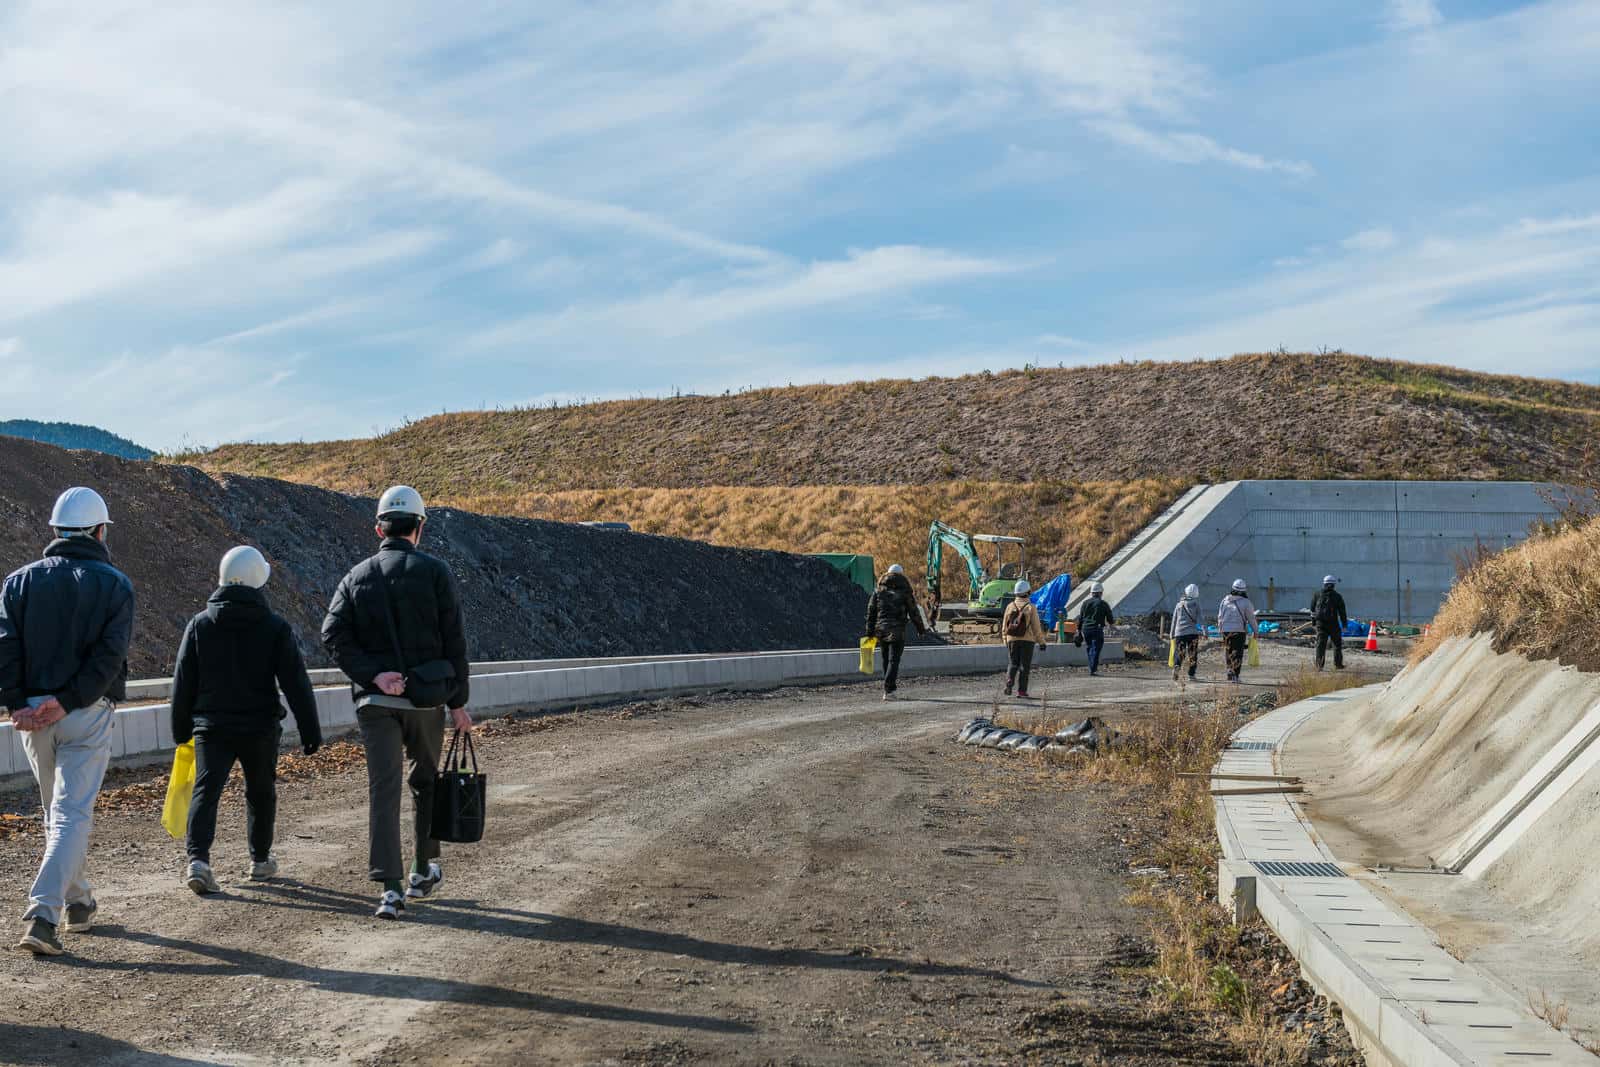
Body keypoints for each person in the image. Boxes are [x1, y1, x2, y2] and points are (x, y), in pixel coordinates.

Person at [322, 486, 472, 920]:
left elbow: (332, 634)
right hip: (425, 701)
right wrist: (458, 702)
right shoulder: (437, 574)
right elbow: (454, 641)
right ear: (419, 527)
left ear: (378, 528)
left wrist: (373, 675)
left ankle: (389, 890)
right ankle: (422, 869)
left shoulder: (355, 577)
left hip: (375, 703)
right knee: (425, 783)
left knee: (383, 791)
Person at [0, 487, 134, 956]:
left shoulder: (18, 582)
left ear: (55, 530)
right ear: (100, 531)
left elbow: (6, 646)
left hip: (32, 717)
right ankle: (44, 914)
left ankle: (79, 902)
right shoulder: (115, 585)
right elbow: (109, 656)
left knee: (58, 814)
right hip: (85, 711)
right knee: (71, 813)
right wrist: (70, 699)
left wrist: (16, 702)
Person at [171, 546, 323, 895]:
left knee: (206, 790)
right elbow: (295, 683)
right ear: (257, 580)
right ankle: (260, 859)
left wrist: (180, 730)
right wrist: (310, 730)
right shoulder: (274, 627)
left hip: (212, 727)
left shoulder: (200, 625)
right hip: (259, 727)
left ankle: (198, 861)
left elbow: (183, 682)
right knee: (260, 792)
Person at [864, 563, 927, 702]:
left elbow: (871, 612)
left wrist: (869, 632)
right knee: (894, 660)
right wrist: (921, 629)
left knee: (886, 659)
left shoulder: (878, 592)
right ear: (901, 575)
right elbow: (914, 612)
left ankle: (889, 689)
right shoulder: (905, 592)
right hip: (897, 630)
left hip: (881, 630)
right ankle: (889, 689)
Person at [1000, 580, 1049, 699]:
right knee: (1024, 666)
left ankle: (1009, 680)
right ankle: (1021, 691)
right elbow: (1036, 627)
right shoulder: (1031, 607)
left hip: (1012, 639)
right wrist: (1042, 642)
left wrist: (1005, 639)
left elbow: (1004, 625)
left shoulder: (1010, 606)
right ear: (1027, 592)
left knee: (1013, 663)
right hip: (1027, 640)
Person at [1217, 579, 1259, 683]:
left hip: (1225, 630)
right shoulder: (1246, 602)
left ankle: (1229, 671)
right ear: (1244, 590)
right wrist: (1256, 631)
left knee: (1228, 651)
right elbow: (1251, 618)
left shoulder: (1225, 600)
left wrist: (1220, 628)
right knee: (1238, 652)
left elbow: (1220, 616)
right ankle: (1236, 676)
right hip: (1239, 630)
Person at [1310, 575, 1349, 671]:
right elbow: (1342, 612)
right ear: (1334, 585)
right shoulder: (1337, 596)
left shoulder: (1317, 594)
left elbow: (1312, 610)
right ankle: (1338, 664)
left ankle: (1319, 666)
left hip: (1321, 624)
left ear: (1324, 583)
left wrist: (1314, 623)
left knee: (1320, 645)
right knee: (1336, 644)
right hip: (1333, 624)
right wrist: (1344, 625)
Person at [1075, 581, 1114, 676]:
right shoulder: (1103, 603)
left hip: (1086, 629)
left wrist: (1078, 630)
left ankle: (1091, 667)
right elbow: (1109, 617)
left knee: (1089, 647)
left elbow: (1081, 617)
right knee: (1096, 648)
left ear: (1092, 593)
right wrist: (1111, 623)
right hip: (1097, 628)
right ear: (1101, 592)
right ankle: (1093, 669)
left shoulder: (1085, 603)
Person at [1170, 584, 1203, 682]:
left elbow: (1174, 620)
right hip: (1192, 633)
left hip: (1179, 633)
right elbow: (1201, 619)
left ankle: (1177, 666)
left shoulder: (1179, 604)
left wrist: (1172, 634)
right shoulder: (1196, 604)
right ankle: (1191, 675)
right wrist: (1205, 631)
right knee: (1192, 654)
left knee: (1180, 653)